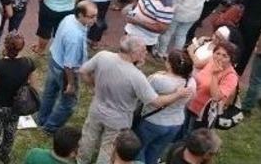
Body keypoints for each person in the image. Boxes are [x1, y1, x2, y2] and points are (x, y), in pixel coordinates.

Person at [76, 36, 194, 164]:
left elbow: (83, 71)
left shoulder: (103, 56)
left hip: (97, 108)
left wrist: (94, 84)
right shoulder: (137, 77)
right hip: (119, 119)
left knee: (88, 137)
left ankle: (81, 161)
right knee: (109, 148)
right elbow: (156, 102)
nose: (146, 53)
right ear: (134, 53)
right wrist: (178, 94)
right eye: (143, 50)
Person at [38, 1, 98, 133]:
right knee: (68, 103)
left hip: (54, 60)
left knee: (49, 93)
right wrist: (70, 83)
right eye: (91, 16)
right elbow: (69, 65)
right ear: (80, 15)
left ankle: (42, 119)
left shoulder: (69, 18)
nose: (95, 20)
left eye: (95, 16)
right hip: (65, 71)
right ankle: (50, 127)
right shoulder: (74, 37)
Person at [135, 50, 195, 164]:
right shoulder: (191, 82)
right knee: (155, 151)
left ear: (169, 64)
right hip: (176, 123)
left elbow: (147, 97)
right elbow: (190, 99)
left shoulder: (158, 80)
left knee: (139, 149)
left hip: (152, 122)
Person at [0, 34, 37, 164]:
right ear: (22, 47)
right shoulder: (29, 63)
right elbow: (33, 87)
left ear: (6, 46)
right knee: (10, 133)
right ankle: (4, 154)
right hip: (15, 106)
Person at [183, 42, 239, 136]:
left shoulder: (231, 76)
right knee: (182, 131)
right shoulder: (211, 60)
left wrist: (215, 75)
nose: (219, 58)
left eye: (225, 56)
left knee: (191, 137)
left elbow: (216, 97)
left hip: (202, 113)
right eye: (217, 53)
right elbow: (197, 65)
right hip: (190, 102)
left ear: (231, 59)